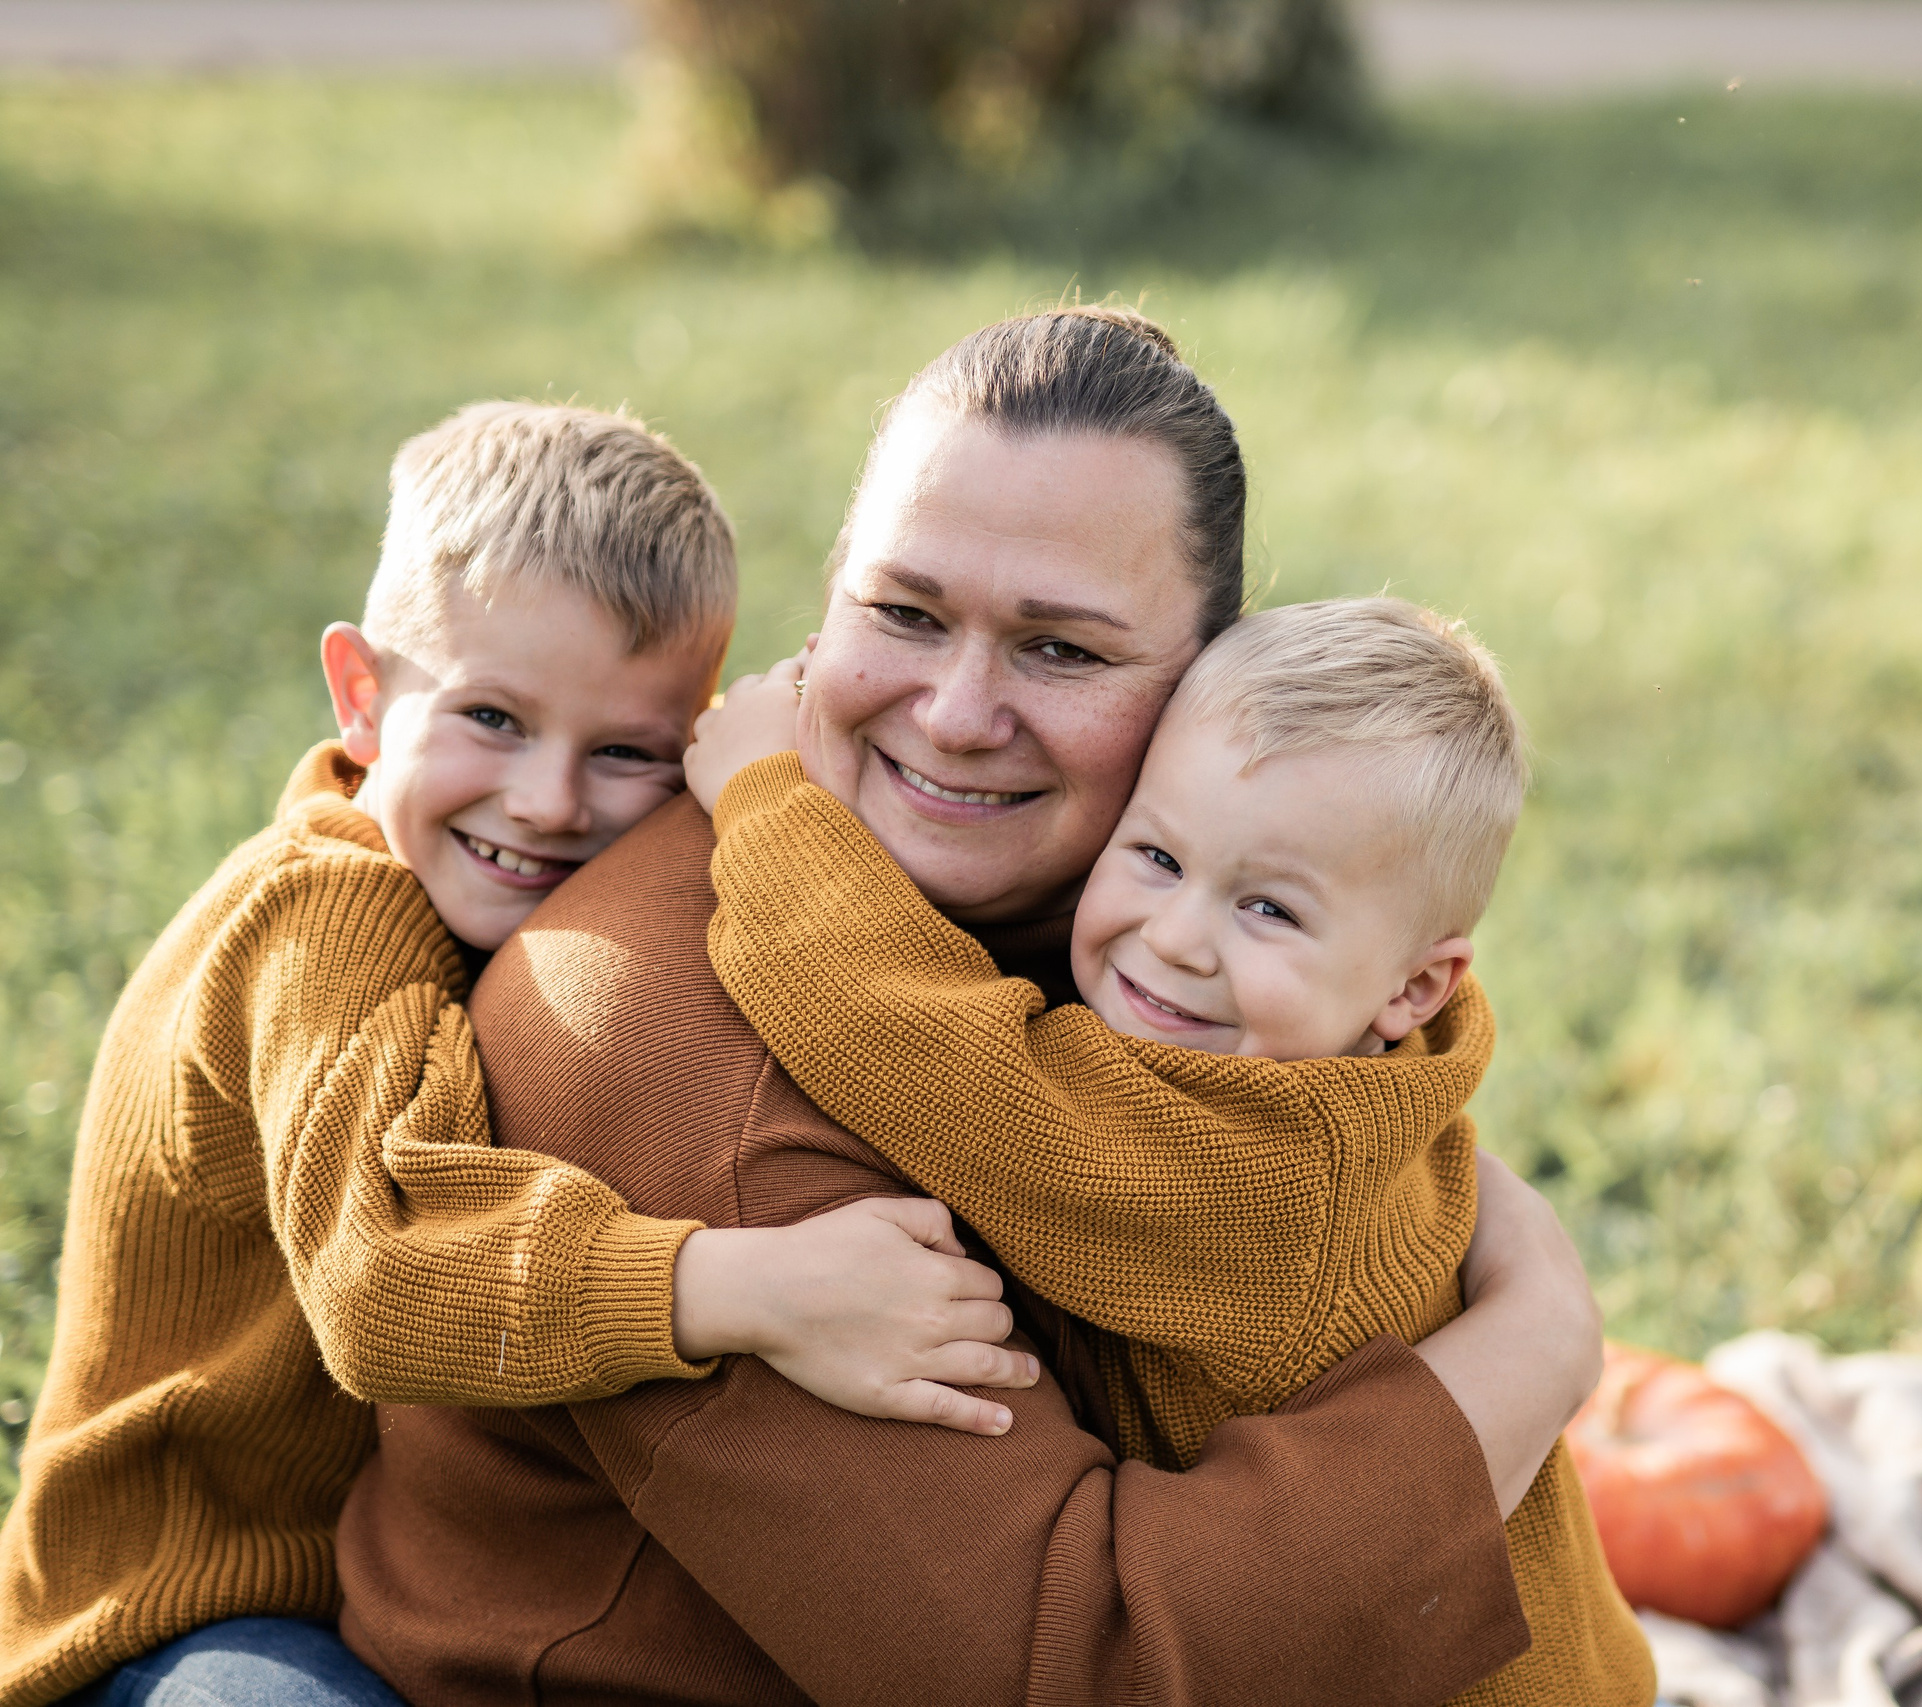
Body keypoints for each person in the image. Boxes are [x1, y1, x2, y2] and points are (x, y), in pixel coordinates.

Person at [334, 307, 1608, 1705]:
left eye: (1061, 648)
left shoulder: (1140, 934)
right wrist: (1534, 1347)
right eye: (904, 611)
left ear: (1202, 684)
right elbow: (1082, 1669)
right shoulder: (699, 1071)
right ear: (827, 604)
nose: (953, 712)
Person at [3, 404, 1031, 1707]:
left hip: (374, 1591)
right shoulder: (323, 911)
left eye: (624, 752)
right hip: (182, 1607)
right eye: (492, 716)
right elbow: (378, 1276)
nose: (549, 800)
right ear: (363, 693)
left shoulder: (467, 893)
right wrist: (754, 1284)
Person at [687, 594, 1659, 1706]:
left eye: (1271, 912)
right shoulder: (1360, 1084)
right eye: (1154, 854)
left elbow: (918, 1044)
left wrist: (765, 797)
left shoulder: (1248, 1174)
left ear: (1413, 986)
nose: (1176, 935)